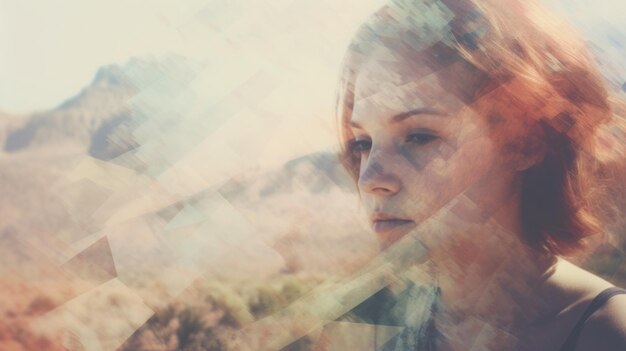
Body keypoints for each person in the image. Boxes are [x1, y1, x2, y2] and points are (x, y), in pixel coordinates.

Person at [329, 0, 626, 349]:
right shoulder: (385, 328)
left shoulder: (604, 333)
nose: (370, 179)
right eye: (363, 142)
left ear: (524, 143)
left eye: (420, 136)